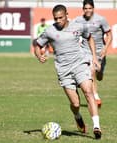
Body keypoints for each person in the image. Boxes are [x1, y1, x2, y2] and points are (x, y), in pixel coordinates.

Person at [34, 4, 102, 139]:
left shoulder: (78, 26)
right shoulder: (50, 31)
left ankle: (96, 127)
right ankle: (77, 116)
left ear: (66, 15)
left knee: (88, 92)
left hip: (80, 64)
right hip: (64, 70)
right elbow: (38, 44)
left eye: (60, 17)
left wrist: (94, 57)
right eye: (55, 18)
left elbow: (89, 38)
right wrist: (39, 55)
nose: (58, 21)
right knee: (75, 104)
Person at [74, 0, 113, 108]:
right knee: (91, 70)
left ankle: (99, 73)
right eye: (86, 8)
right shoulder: (78, 20)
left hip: (100, 52)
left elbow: (109, 35)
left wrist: (105, 48)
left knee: (98, 75)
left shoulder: (100, 19)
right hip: (85, 51)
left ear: (93, 8)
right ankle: (95, 96)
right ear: (83, 9)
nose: (88, 10)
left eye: (90, 8)